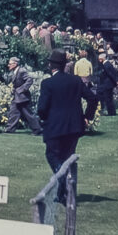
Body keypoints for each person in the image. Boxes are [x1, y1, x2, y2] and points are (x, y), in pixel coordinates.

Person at [37, 49, 98, 204]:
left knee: (52, 155)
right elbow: (93, 98)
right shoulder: (76, 81)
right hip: (74, 126)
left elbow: (42, 108)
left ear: (51, 65)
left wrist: (44, 119)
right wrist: (87, 117)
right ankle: (62, 194)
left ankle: (62, 178)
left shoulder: (48, 83)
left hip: (55, 126)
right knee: (66, 157)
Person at [4, 57, 43, 135]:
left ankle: (37, 129)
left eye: (10, 64)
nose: (8, 65)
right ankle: (10, 129)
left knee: (28, 114)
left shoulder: (22, 71)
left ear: (15, 64)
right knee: (13, 111)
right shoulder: (14, 71)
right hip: (17, 96)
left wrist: (21, 90)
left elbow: (30, 80)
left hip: (23, 97)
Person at [96, 52, 118, 116]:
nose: (99, 60)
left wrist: (116, 81)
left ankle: (111, 112)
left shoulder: (106, 65)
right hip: (109, 84)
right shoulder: (108, 64)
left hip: (107, 84)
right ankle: (112, 112)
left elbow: (110, 74)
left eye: (100, 59)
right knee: (109, 98)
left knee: (108, 99)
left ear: (102, 58)